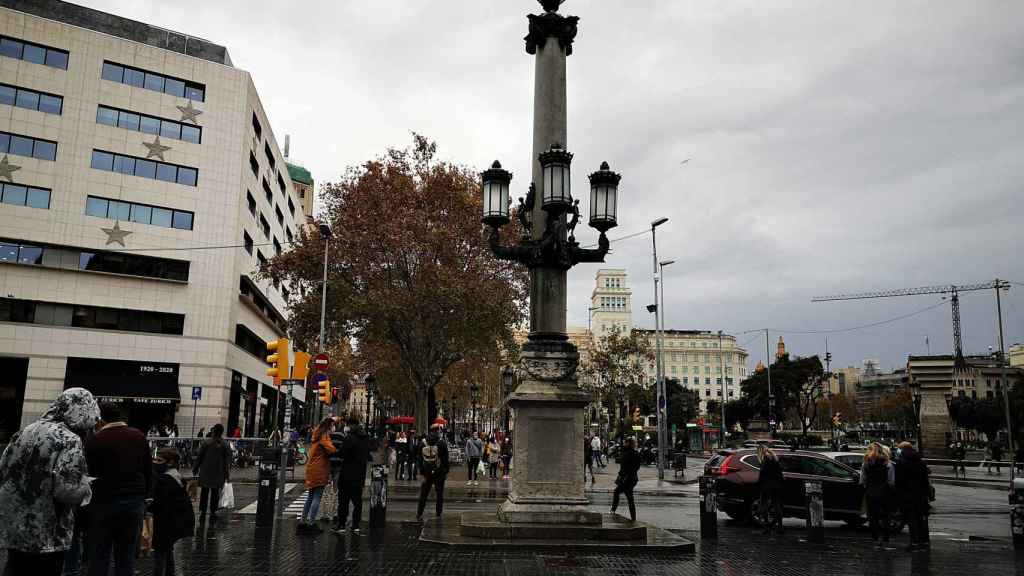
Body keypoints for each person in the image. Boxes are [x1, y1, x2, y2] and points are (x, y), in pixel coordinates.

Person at [0, 388, 98, 576]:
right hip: (46, 532)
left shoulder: (26, 431)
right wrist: (85, 488)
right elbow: (65, 491)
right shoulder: (69, 439)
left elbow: (4, 468)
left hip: (14, 525)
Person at [84, 402, 153, 576]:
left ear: (101, 419)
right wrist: (145, 497)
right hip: (133, 503)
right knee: (126, 555)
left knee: (100, 554)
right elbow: (148, 470)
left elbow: (88, 473)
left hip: (104, 502)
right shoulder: (138, 436)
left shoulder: (95, 440)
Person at [150, 448, 194, 576]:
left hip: (165, 522)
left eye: (159, 460)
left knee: (159, 553)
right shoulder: (176, 476)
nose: (156, 462)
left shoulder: (164, 480)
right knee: (167, 550)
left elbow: (159, 502)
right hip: (174, 522)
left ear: (170, 462)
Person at [297, 418, 336, 533]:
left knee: (310, 496)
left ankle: (303, 522)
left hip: (312, 468)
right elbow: (331, 449)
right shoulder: (324, 436)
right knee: (317, 496)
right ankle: (311, 523)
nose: (333, 428)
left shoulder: (316, 434)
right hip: (320, 469)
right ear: (328, 426)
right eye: (332, 425)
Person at [334, 415, 370, 534]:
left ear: (350, 425)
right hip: (360, 475)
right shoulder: (365, 438)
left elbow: (342, 453)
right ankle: (355, 525)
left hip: (347, 474)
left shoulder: (349, 438)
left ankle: (341, 525)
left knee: (343, 501)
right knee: (357, 502)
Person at [894, 441, 931, 551]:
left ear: (902, 449)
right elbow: (925, 481)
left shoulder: (901, 462)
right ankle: (924, 541)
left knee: (911, 519)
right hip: (920, 495)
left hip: (907, 495)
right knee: (921, 519)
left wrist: (898, 495)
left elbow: (899, 482)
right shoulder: (921, 462)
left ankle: (914, 542)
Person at [192, 423, 231, 519]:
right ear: (221, 432)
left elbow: (199, 457)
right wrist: (227, 474)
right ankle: (213, 511)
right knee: (215, 492)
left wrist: (195, 468)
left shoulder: (206, 443)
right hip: (218, 472)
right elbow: (227, 462)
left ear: (213, 431)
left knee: (204, 492)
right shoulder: (225, 445)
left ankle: (203, 511)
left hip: (205, 471)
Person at [860, 442, 895, 548]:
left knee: (872, 517)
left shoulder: (866, 463)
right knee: (886, 516)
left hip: (871, 492)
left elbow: (862, 480)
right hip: (885, 492)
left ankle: (875, 538)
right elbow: (891, 481)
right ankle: (886, 538)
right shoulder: (888, 463)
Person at [416, 423, 450, 521]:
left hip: (426, 472)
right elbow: (445, 459)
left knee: (424, 494)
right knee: (439, 494)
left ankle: (419, 512)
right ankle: (438, 513)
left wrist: (421, 471)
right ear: (438, 430)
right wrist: (446, 471)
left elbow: (419, 457)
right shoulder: (442, 442)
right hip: (439, 472)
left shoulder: (423, 442)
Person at [611, 437, 641, 521]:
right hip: (630, 478)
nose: (624, 444)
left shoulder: (630, 453)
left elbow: (627, 466)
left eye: (625, 442)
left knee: (620, 493)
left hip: (628, 478)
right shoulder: (630, 453)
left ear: (629, 443)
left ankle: (613, 510)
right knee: (628, 497)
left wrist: (624, 474)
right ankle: (633, 517)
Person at [368, 436, 395, 530]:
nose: (386, 442)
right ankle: (378, 521)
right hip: (380, 477)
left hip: (378, 477)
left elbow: (390, 463)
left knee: (377, 499)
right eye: (384, 441)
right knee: (378, 499)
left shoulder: (385, 451)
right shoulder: (386, 451)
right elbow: (390, 464)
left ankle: (376, 521)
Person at [757, 445, 784, 535]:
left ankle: (767, 527)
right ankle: (780, 527)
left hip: (767, 486)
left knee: (764, 506)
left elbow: (762, 474)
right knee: (777, 506)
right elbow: (780, 473)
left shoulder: (764, 461)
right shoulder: (775, 460)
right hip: (777, 486)